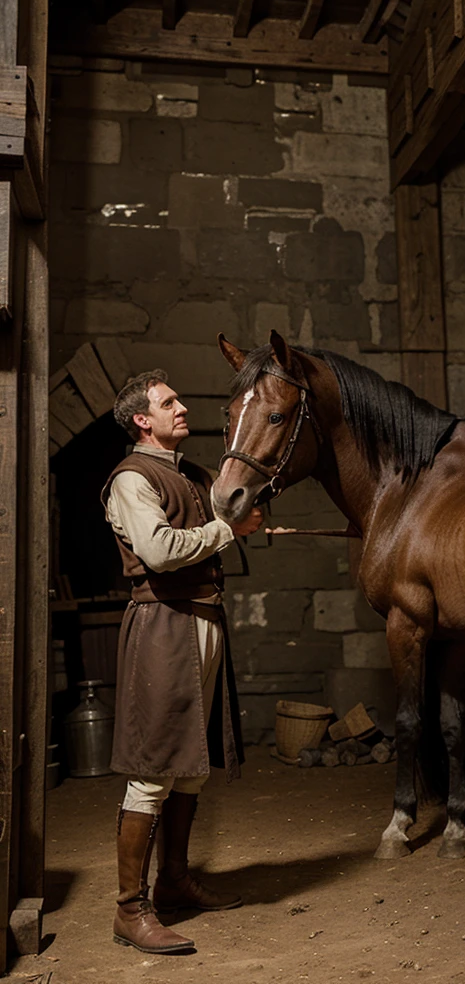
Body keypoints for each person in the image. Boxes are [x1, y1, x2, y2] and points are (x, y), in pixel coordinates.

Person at [101, 369, 262, 955]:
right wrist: (226, 530)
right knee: (154, 766)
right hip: (162, 625)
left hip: (205, 620)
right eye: (169, 403)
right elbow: (158, 550)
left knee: (192, 762)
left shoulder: (190, 472)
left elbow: (238, 502)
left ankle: (172, 881)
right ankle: (128, 909)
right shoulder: (130, 478)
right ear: (142, 419)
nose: (182, 407)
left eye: (178, 398)